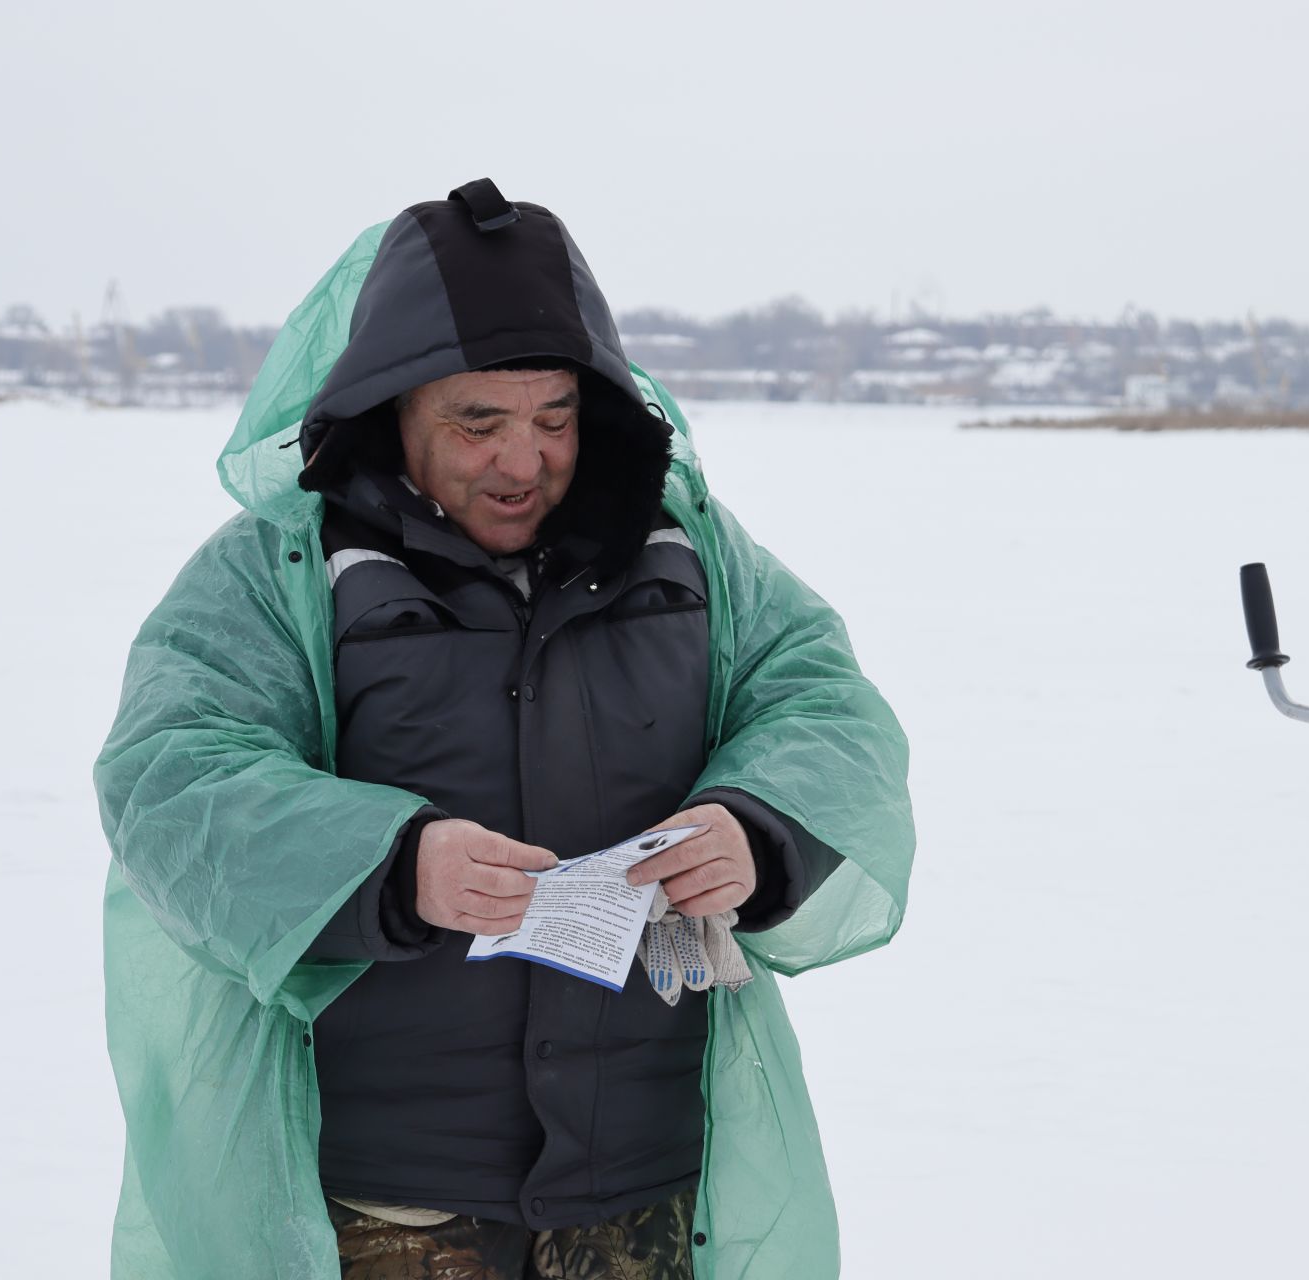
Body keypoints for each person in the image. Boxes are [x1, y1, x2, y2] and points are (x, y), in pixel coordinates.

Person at [95, 179, 915, 1280]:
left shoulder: (686, 552)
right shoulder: (280, 571)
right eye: (477, 424)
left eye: (555, 419)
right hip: (391, 1209)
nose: (523, 462)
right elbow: (172, 773)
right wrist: (393, 863)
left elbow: (822, 702)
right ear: (392, 407)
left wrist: (757, 827)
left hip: (644, 1192)